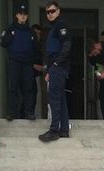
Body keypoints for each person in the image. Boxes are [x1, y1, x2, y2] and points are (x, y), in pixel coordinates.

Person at [0, 4, 41, 121]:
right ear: (17, 15)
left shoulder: (30, 31)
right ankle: (12, 113)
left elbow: (37, 48)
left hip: (27, 64)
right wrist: (11, 36)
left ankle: (29, 113)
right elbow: (3, 43)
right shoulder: (10, 29)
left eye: (25, 14)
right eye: (20, 14)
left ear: (27, 16)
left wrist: (33, 61)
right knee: (13, 88)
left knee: (28, 88)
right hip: (15, 62)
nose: (23, 16)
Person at [38, 1, 71, 142]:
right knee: (60, 99)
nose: (50, 14)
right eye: (48, 12)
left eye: (52, 11)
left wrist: (56, 64)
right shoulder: (53, 28)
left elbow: (67, 46)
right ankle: (63, 130)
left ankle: (54, 130)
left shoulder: (61, 26)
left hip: (59, 67)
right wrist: (49, 70)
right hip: (55, 68)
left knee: (54, 99)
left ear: (58, 11)